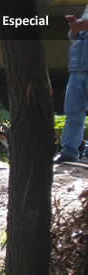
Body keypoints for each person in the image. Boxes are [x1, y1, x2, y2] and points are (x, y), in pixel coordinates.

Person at [57, 8, 88, 163]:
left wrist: (84, 24)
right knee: (73, 111)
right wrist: (74, 27)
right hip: (77, 67)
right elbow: (73, 37)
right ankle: (69, 151)